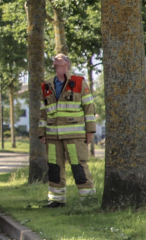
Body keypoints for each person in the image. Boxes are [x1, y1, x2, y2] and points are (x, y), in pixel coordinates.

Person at [38, 53, 96, 207]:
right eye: (55, 57)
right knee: (54, 167)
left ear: (67, 63)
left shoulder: (78, 82)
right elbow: (43, 112)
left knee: (78, 166)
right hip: (52, 135)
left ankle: (87, 200)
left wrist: (90, 131)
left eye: (60, 57)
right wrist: (41, 133)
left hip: (74, 134)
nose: (56, 58)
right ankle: (56, 200)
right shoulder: (46, 86)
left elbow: (89, 108)